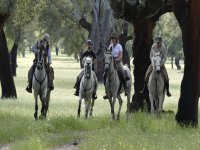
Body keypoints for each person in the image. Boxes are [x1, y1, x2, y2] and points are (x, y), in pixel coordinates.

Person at [103, 33, 128, 99]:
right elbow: (108, 54)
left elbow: (120, 56)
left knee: (122, 73)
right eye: (112, 39)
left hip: (118, 61)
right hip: (111, 62)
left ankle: (125, 89)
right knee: (104, 75)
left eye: (114, 39)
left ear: (116, 39)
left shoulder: (119, 46)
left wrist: (115, 59)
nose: (113, 40)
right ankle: (106, 91)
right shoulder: (110, 46)